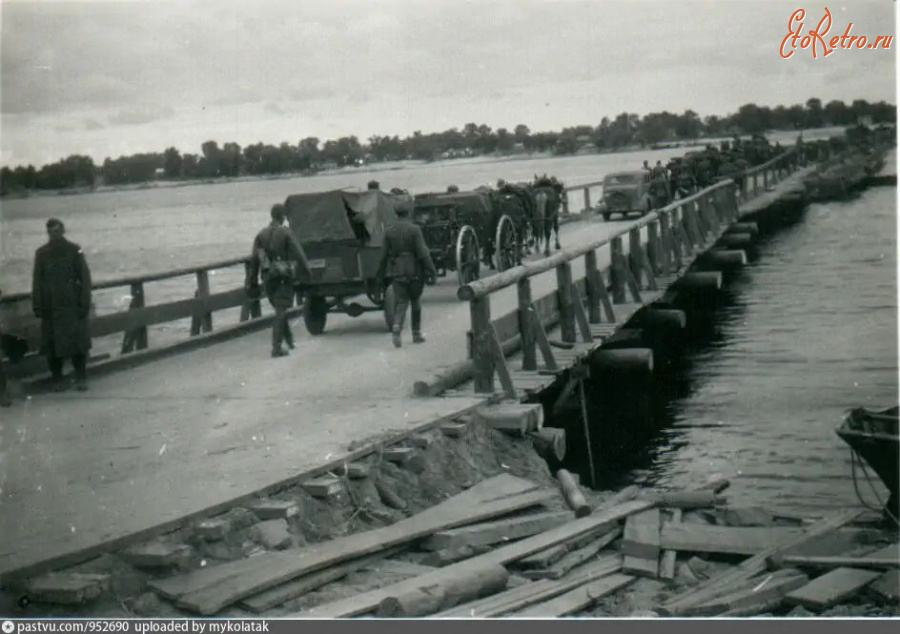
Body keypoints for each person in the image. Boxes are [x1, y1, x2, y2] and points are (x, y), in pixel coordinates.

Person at [32, 218, 93, 391]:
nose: (54, 235)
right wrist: (37, 305)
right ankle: (57, 380)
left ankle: (81, 378)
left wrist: (84, 303)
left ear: (63, 230)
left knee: (78, 346)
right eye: (51, 232)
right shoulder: (41, 253)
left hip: (72, 306)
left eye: (57, 231)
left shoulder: (75, 250)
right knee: (52, 347)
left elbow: (85, 278)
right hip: (51, 308)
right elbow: (37, 281)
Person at [246, 203, 310, 358]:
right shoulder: (286, 233)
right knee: (280, 312)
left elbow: (255, 260)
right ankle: (276, 348)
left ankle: (290, 341)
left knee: (279, 310)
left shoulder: (260, 235)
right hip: (283, 276)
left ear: (271, 216)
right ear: (283, 217)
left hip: (268, 278)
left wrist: (252, 281)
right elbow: (299, 254)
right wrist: (307, 273)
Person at [376, 205, 437, 348]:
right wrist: (431, 270)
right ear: (408, 213)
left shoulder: (389, 231)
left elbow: (383, 256)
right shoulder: (415, 229)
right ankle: (416, 334)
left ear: (396, 213)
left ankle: (396, 327)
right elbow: (423, 253)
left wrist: (379, 276)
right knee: (415, 301)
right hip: (415, 270)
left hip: (397, 270)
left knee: (401, 303)